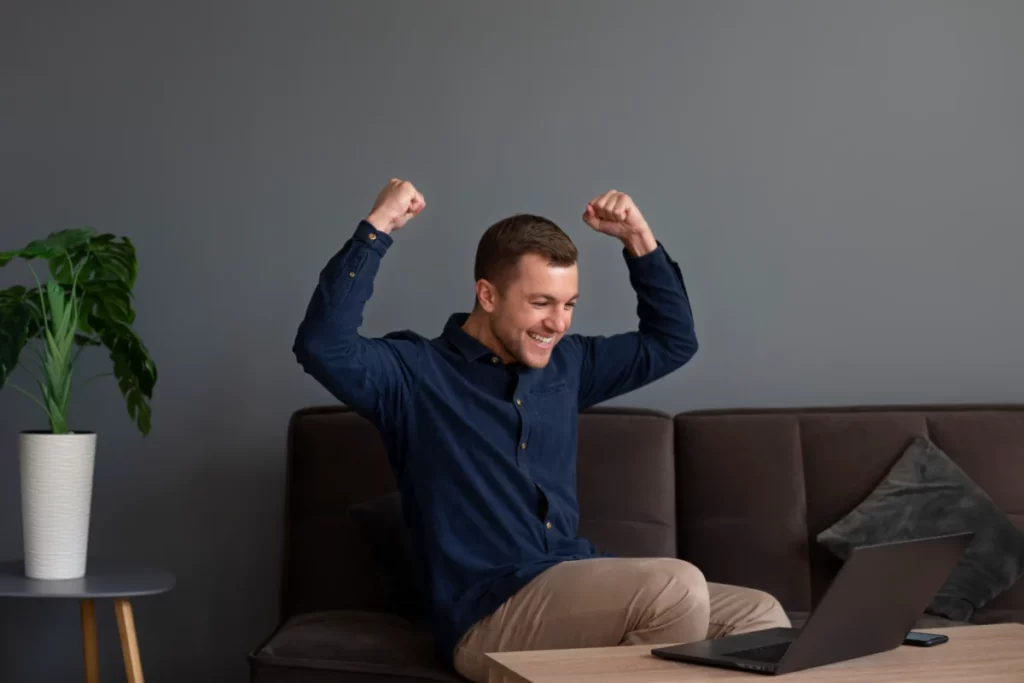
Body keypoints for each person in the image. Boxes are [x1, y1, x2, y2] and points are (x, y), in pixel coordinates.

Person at [293, 178, 790, 682]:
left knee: (761, 618)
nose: (559, 323)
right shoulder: (414, 374)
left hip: (569, 580)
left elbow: (673, 342)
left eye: (568, 303)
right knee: (675, 586)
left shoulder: (567, 365)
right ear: (487, 295)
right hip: (488, 614)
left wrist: (638, 241)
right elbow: (323, 347)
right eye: (541, 303)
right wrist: (377, 229)